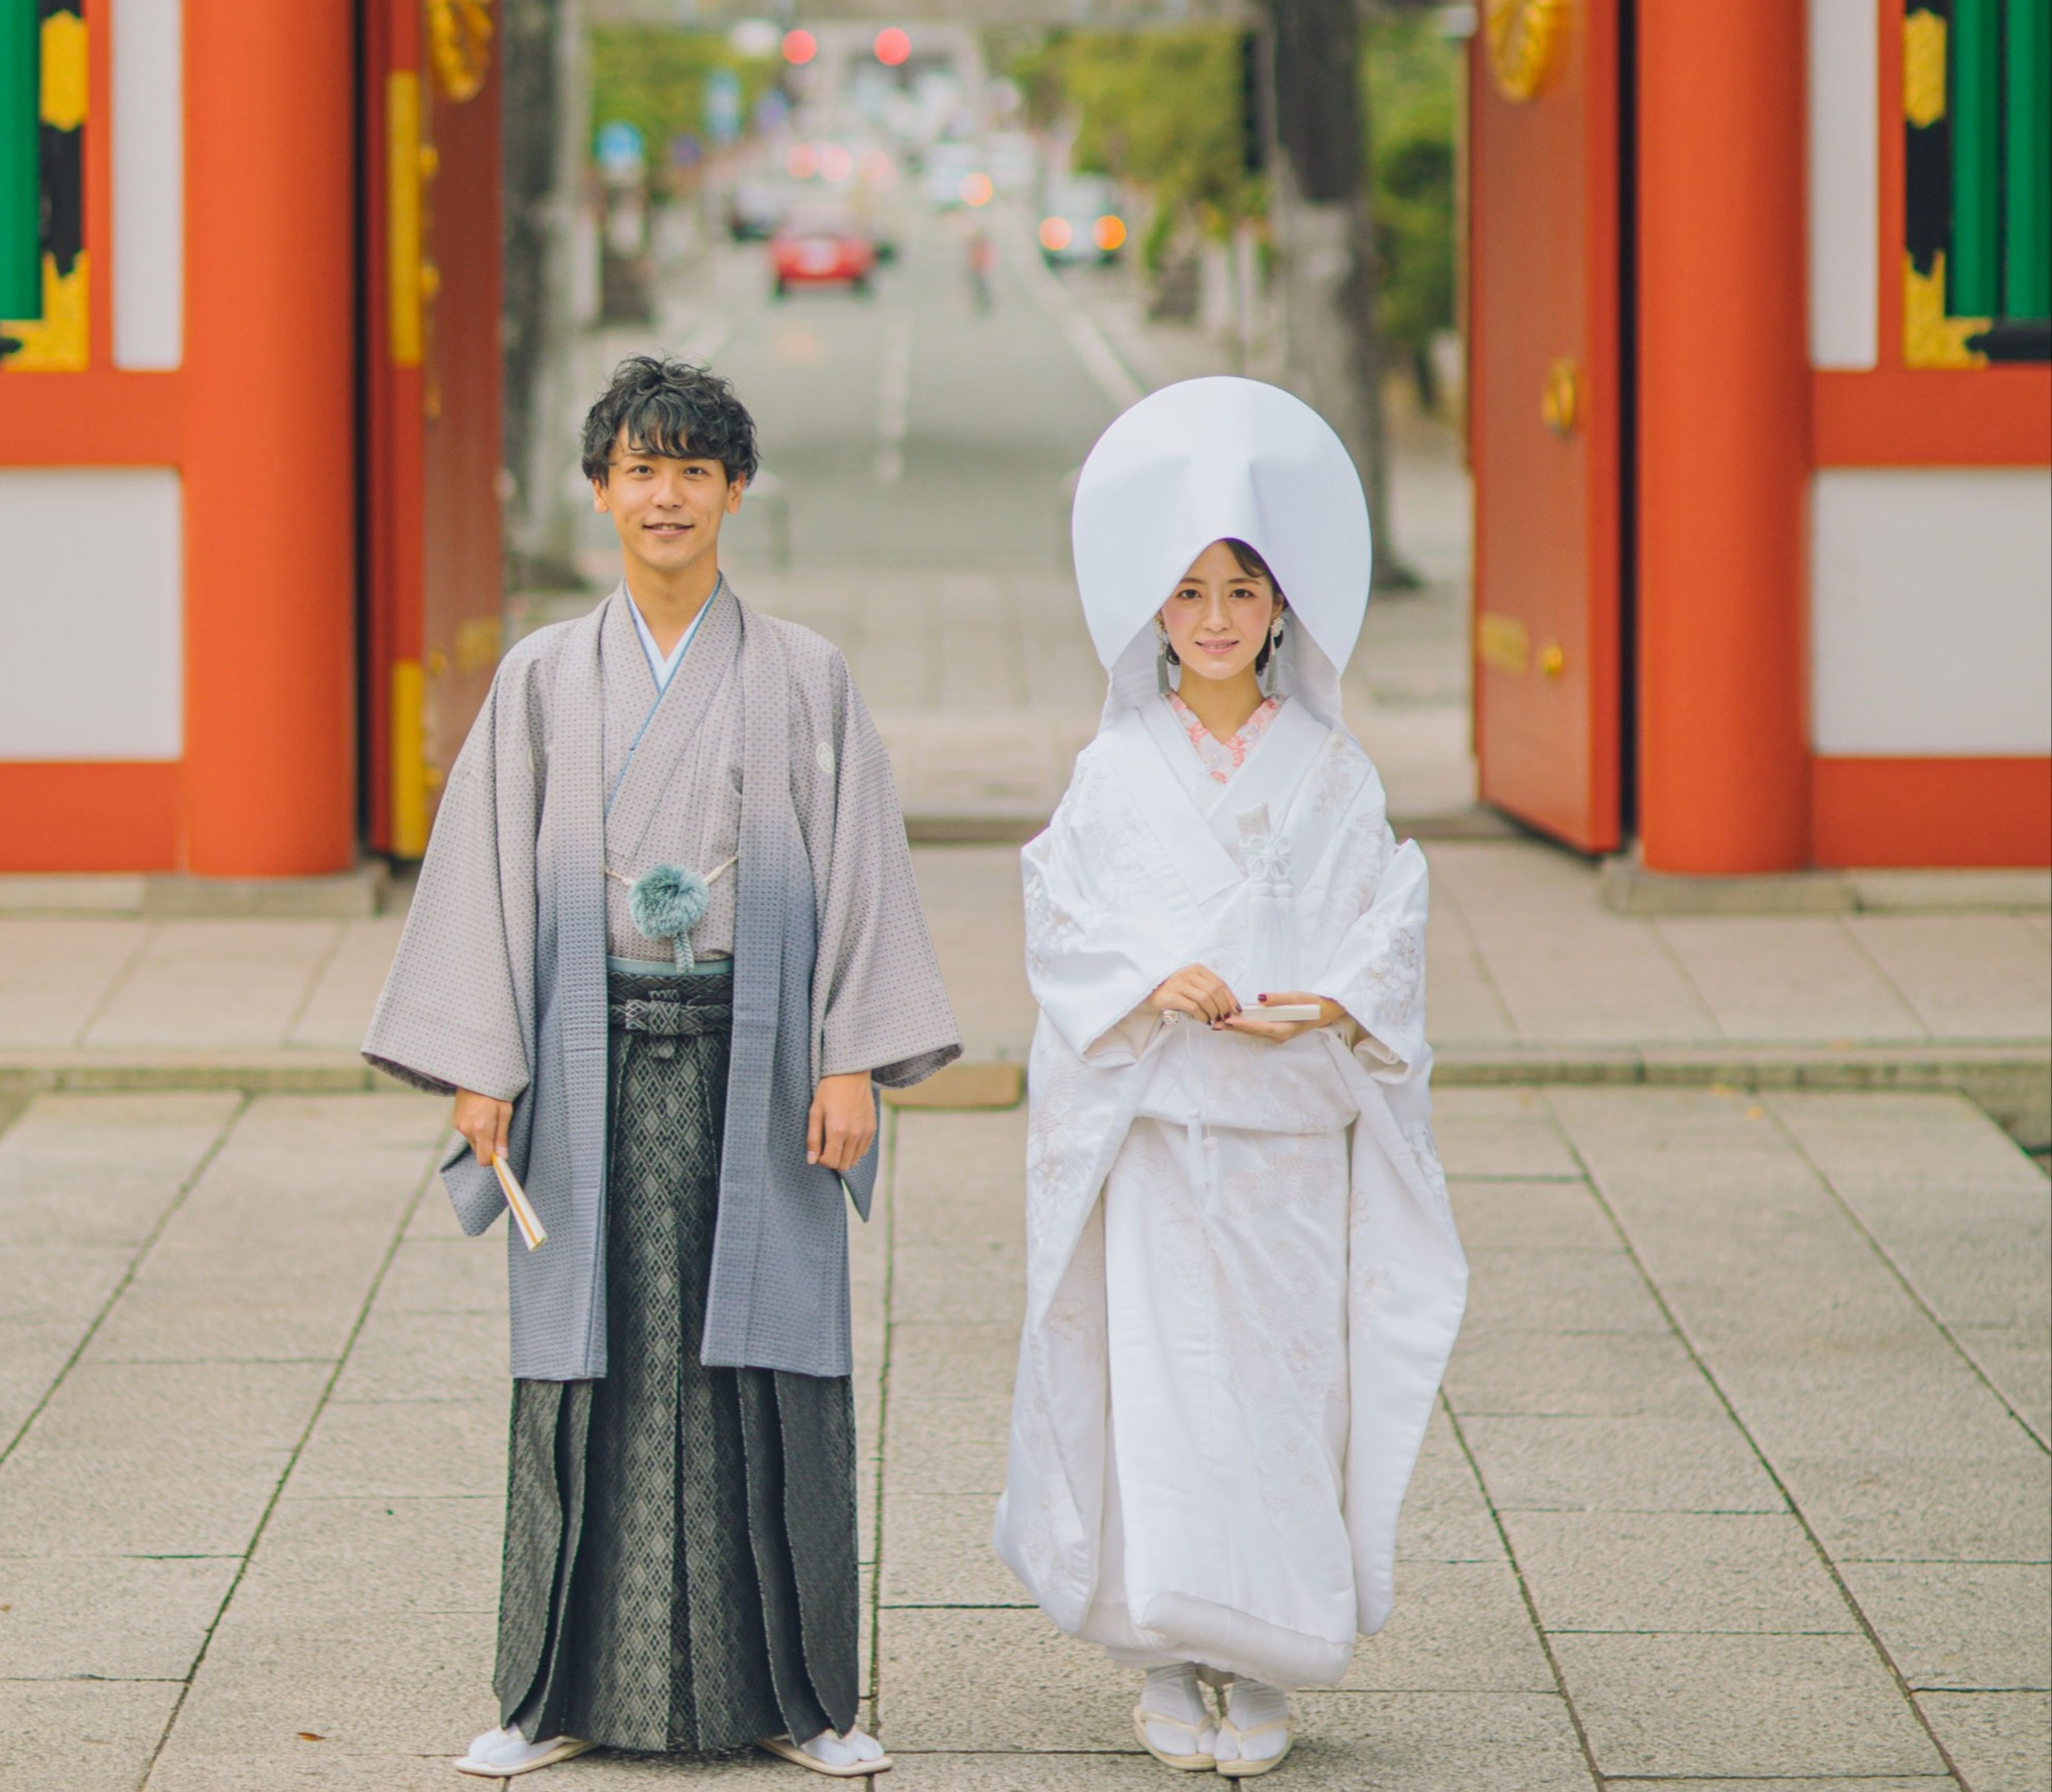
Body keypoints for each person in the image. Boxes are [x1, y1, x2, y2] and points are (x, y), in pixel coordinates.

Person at [365, 357, 960, 1780]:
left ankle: (799, 1700)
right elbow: (487, 874)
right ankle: (551, 1693)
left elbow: (859, 870)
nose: (667, 494)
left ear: (735, 490)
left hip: (762, 1061)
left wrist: (851, 1058)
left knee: (768, 1363)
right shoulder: (542, 678)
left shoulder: (805, 676)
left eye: (695, 469)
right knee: (594, 1363)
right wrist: (482, 1062)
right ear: (600, 491)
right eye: (641, 468)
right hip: (589, 1059)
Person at [995, 377, 1467, 1779]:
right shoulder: (1110, 769)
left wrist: (1338, 997)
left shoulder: (1332, 770)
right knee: (1157, 1388)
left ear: (1279, 609)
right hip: (1155, 1134)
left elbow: (1386, 915)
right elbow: (1059, 917)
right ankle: (1158, 1645)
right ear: (1153, 608)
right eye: (1189, 589)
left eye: (1241, 590)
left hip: (1283, 1141)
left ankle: (1263, 1654)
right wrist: (1152, 977)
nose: (1214, 616)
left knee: (1276, 1394)